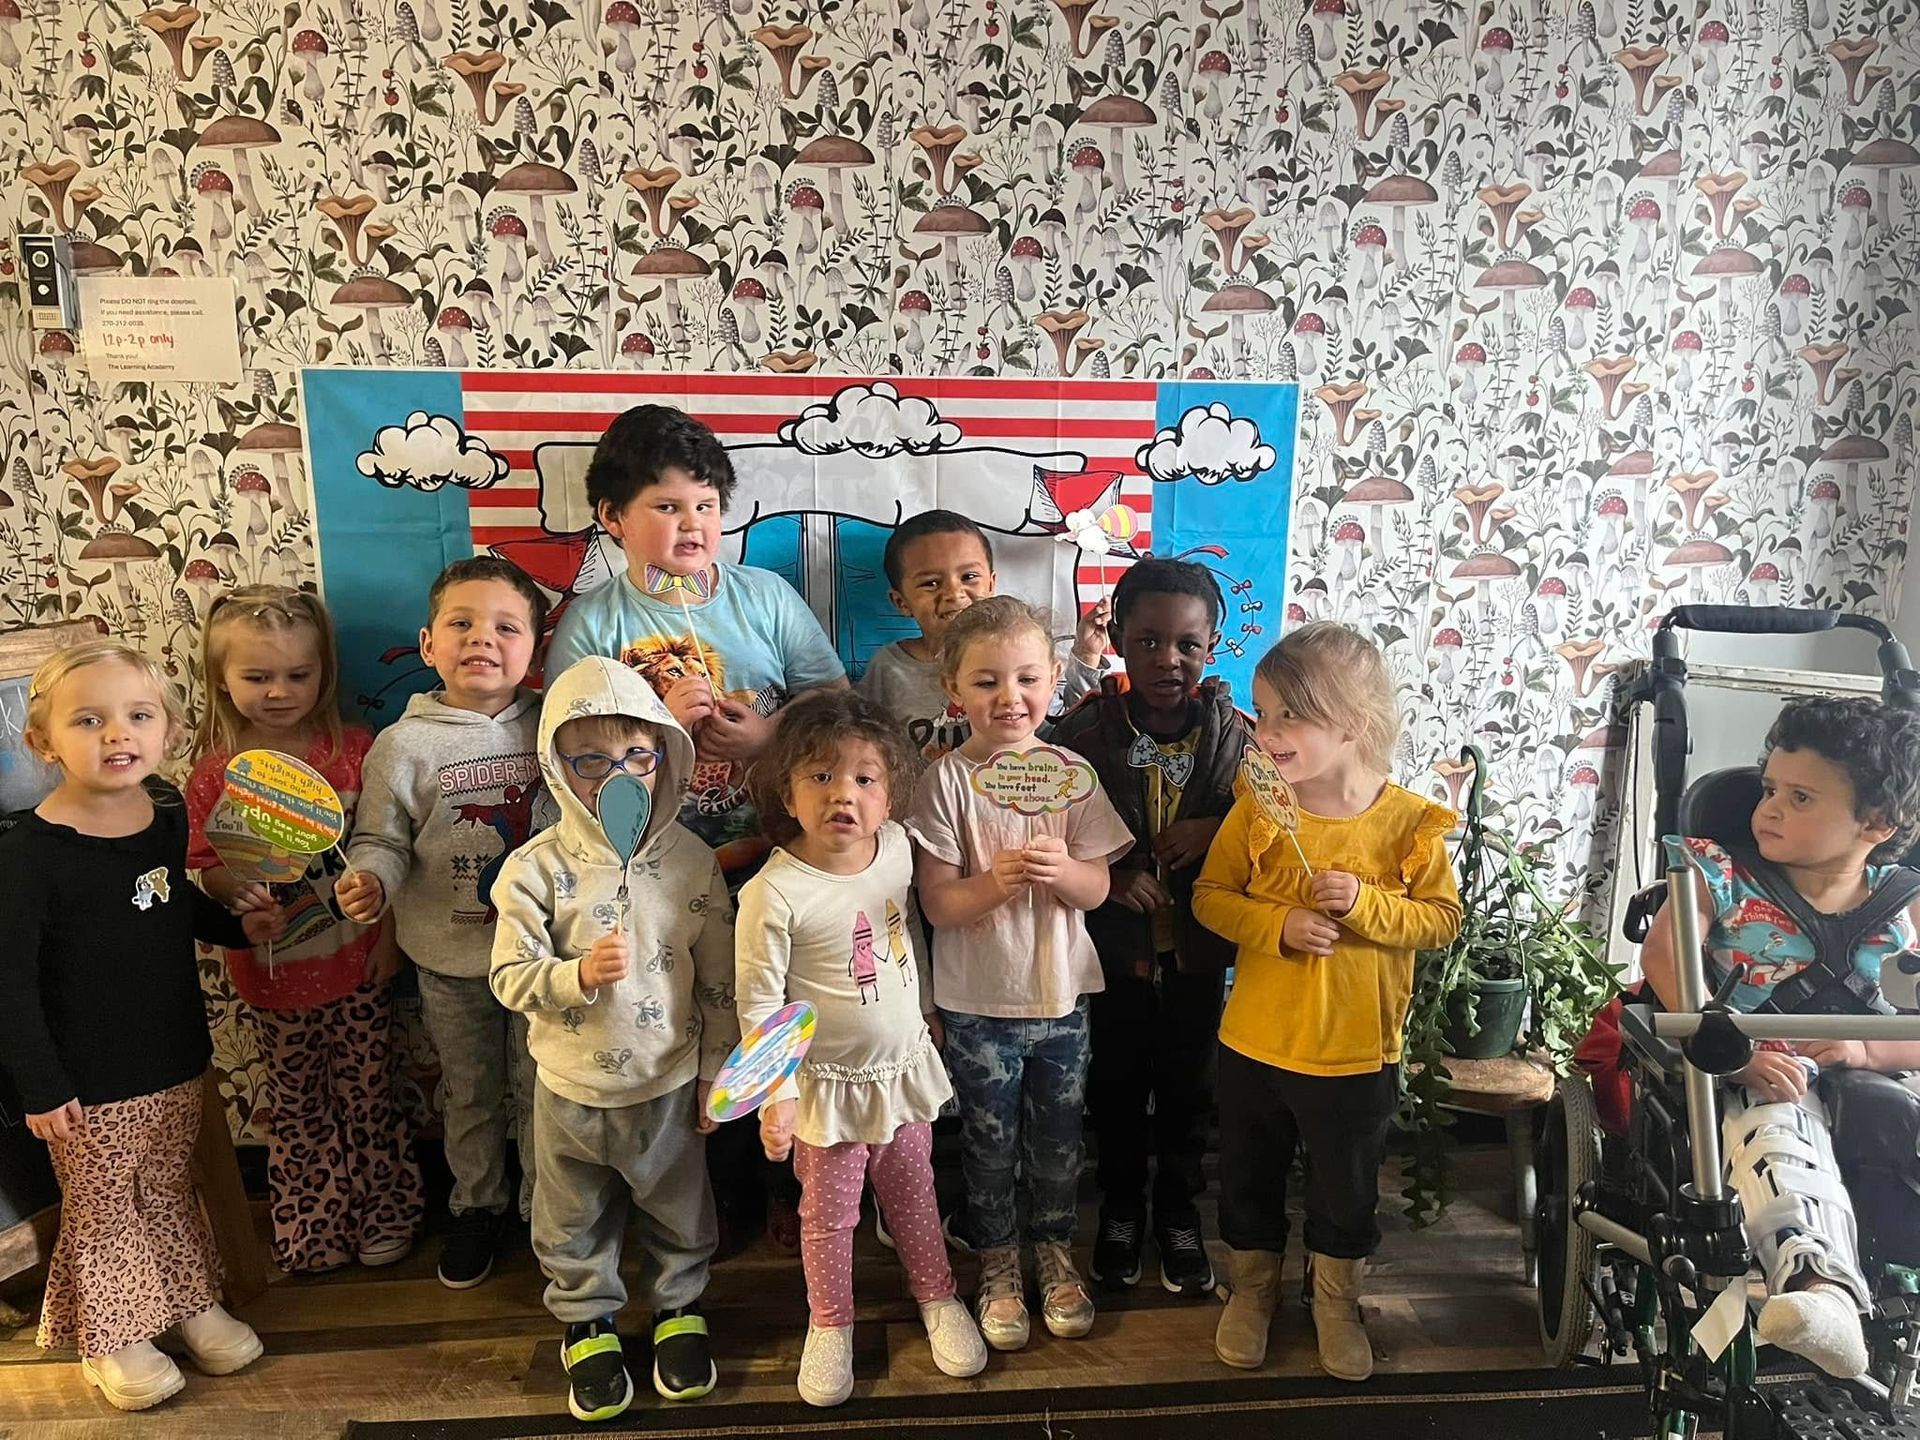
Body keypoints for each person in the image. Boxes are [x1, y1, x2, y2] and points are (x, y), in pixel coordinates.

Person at [544, 404, 846, 1249]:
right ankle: (710, 1199)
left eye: (707, 505)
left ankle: (794, 1181)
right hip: (661, 870)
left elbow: (835, 709)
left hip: (778, 857)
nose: (693, 524)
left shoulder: (765, 599)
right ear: (613, 518)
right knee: (689, 1022)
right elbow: (567, 749)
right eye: (668, 507)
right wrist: (652, 726)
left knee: (775, 1013)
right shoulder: (596, 621)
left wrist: (768, 739)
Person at [0, 640, 283, 1410]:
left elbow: (167, 903)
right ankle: (113, 1335)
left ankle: (188, 1305)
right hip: (86, 1082)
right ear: (43, 742)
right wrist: (42, 1086)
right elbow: (10, 984)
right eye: (89, 720)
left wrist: (236, 929)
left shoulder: (162, 810)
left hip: (172, 1054)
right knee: (103, 1209)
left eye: (137, 715)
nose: (117, 733)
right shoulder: (29, 855)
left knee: (163, 1191)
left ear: (168, 730)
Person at [1194, 622, 1460, 1381]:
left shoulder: (1409, 824)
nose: (1265, 731)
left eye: (1287, 716)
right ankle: (1252, 1292)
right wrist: (1277, 923)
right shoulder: (1260, 807)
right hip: (1254, 1045)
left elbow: (1441, 922)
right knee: (1248, 1177)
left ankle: (1335, 1300)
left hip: (1352, 1053)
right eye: (1262, 711)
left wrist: (1367, 906)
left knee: (1346, 1190)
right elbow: (1211, 898)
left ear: (1348, 724)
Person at [1641, 696, 1920, 1380]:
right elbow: (1666, 956)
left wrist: (1865, 1050)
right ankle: (1822, 1294)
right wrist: (1735, 1051)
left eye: (1800, 798)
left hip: (1869, 1074)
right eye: (1770, 789)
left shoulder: (1901, 898)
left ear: (1876, 825)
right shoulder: (1715, 871)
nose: (1768, 809)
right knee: (1782, 1143)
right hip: (1752, 1070)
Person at [490, 656, 737, 1422]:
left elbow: (721, 979)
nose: (615, 775)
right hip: (568, 1088)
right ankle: (585, 1320)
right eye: (589, 760)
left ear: (664, 757)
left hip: (666, 1085)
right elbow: (507, 978)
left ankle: (678, 1309)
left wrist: (715, 1073)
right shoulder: (534, 871)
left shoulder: (691, 862)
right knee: (569, 1218)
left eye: (636, 755)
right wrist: (575, 976)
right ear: (556, 768)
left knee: (679, 1207)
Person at [739, 691, 987, 1406]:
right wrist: (777, 1097)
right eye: (820, 777)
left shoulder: (900, 850)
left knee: (914, 1192)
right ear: (789, 789)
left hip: (899, 1068)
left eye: (863, 779)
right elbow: (760, 1005)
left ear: (889, 794)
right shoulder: (774, 892)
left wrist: (931, 1007)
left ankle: (938, 1298)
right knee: (829, 1213)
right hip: (825, 1085)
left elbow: (909, 929)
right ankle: (831, 1323)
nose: (842, 794)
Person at [907, 596, 1133, 1351]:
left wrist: (1064, 870)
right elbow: (939, 905)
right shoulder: (944, 782)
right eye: (987, 682)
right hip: (975, 1006)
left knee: (1060, 1139)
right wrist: (997, 882)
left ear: (1055, 681)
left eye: (1028, 678)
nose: (1010, 697)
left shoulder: (1072, 775)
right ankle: (998, 1262)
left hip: (1062, 998)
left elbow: (1098, 889)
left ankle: (1053, 1252)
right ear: (954, 690)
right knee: (988, 1141)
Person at [186, 585, 423, 1275]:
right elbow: (206, 868)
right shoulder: (215, 773)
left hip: (356, 963)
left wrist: (385, 938)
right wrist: (237, 890)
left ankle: (384, 1212)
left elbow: (388, 848)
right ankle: (311, 1227)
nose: (280, 692)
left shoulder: (353, 751)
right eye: (258, 677)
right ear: (223, 679)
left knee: (370, 1092)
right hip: (271, 976)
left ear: (325, 672)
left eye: (299, 674)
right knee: (296, 1106)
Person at [337, 557, 555, 1289]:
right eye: (461, 624)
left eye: (505, 626)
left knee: (542, 1087)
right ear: (428, 644)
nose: (481, 640)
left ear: (534, 646)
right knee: (467, 1090)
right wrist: (372, 880)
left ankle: (543, 1205)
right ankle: (477, 1206)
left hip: (545, 959)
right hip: (449, 958)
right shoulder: (403, 745)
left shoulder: (556, 725)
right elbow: (380, 838)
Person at [1046, 558, 1251, 1296]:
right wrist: (1111, 878)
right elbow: (1041, 821)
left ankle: (1178, 1212)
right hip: (1112, 948)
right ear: (1121, 641)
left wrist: (1212, 827)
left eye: (1188, 645)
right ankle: (1124, 1208)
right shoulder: (1081, 733)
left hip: (1198, 949)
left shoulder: (1237, 734)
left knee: (1191, 1085)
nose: (1169, 661)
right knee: (1117, 1084)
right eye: (1149, 643)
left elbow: (1278, 821)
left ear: (1213, 644)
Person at [857, 509, 1110, 761]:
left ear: (990, 584)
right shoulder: (888, 669)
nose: (954, 593)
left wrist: (1087, 655)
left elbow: (1062, 722)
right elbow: (862, 743)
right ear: (901, 602)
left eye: (968, 577)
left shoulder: (1016, 655)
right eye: (931, 583)